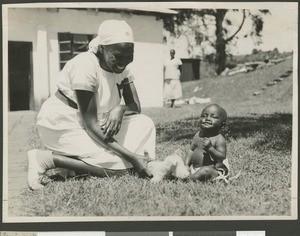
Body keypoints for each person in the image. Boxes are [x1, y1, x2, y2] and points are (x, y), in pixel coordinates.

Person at [27, 20, 156, 190]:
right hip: (63, 123)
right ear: (102, 48)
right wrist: (132, 158)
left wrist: (120, 108)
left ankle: (73, 165)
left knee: (145, 123)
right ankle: (46, 159)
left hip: (94, 122)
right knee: (124, 170)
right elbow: (91, 125)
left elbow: (135, 106)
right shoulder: (85, 66)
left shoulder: (123, 68)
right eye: (117, 56)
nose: (123, 62)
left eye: (129, 55)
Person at [184, 104, 229, 181]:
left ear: (222, 125)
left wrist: (210, 148)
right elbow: (190, 151)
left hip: (214, 170)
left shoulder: (219, 139)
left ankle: (186, 179)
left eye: (213, 117)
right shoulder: (198, 135)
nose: (207, 119)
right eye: (204, 116)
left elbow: (221, 158)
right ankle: (190, 175)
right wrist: (186, 165)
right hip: (194, 168)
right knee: (177, 160)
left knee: (205, 171)